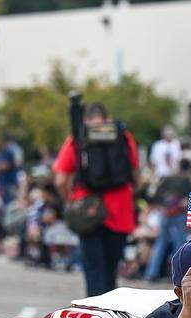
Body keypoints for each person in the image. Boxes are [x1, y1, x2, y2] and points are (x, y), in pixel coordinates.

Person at [53, 101, 139, 297]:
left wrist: (69, 200)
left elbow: (60, 179)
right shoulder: (123, 135)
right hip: (120, 209)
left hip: (88, 210)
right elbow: (135, 174)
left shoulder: (79, 137)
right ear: (108, 117)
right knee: (111, 270)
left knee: (93, 270)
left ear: (86, 119)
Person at [146, 158, 191, 281]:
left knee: (161, 243)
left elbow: (155, 193)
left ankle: (151, 273)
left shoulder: (168, 177)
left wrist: (163, 204)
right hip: (180, 213)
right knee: (179, 244)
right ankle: (178, 274)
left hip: (167, 211)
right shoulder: (190, 180)